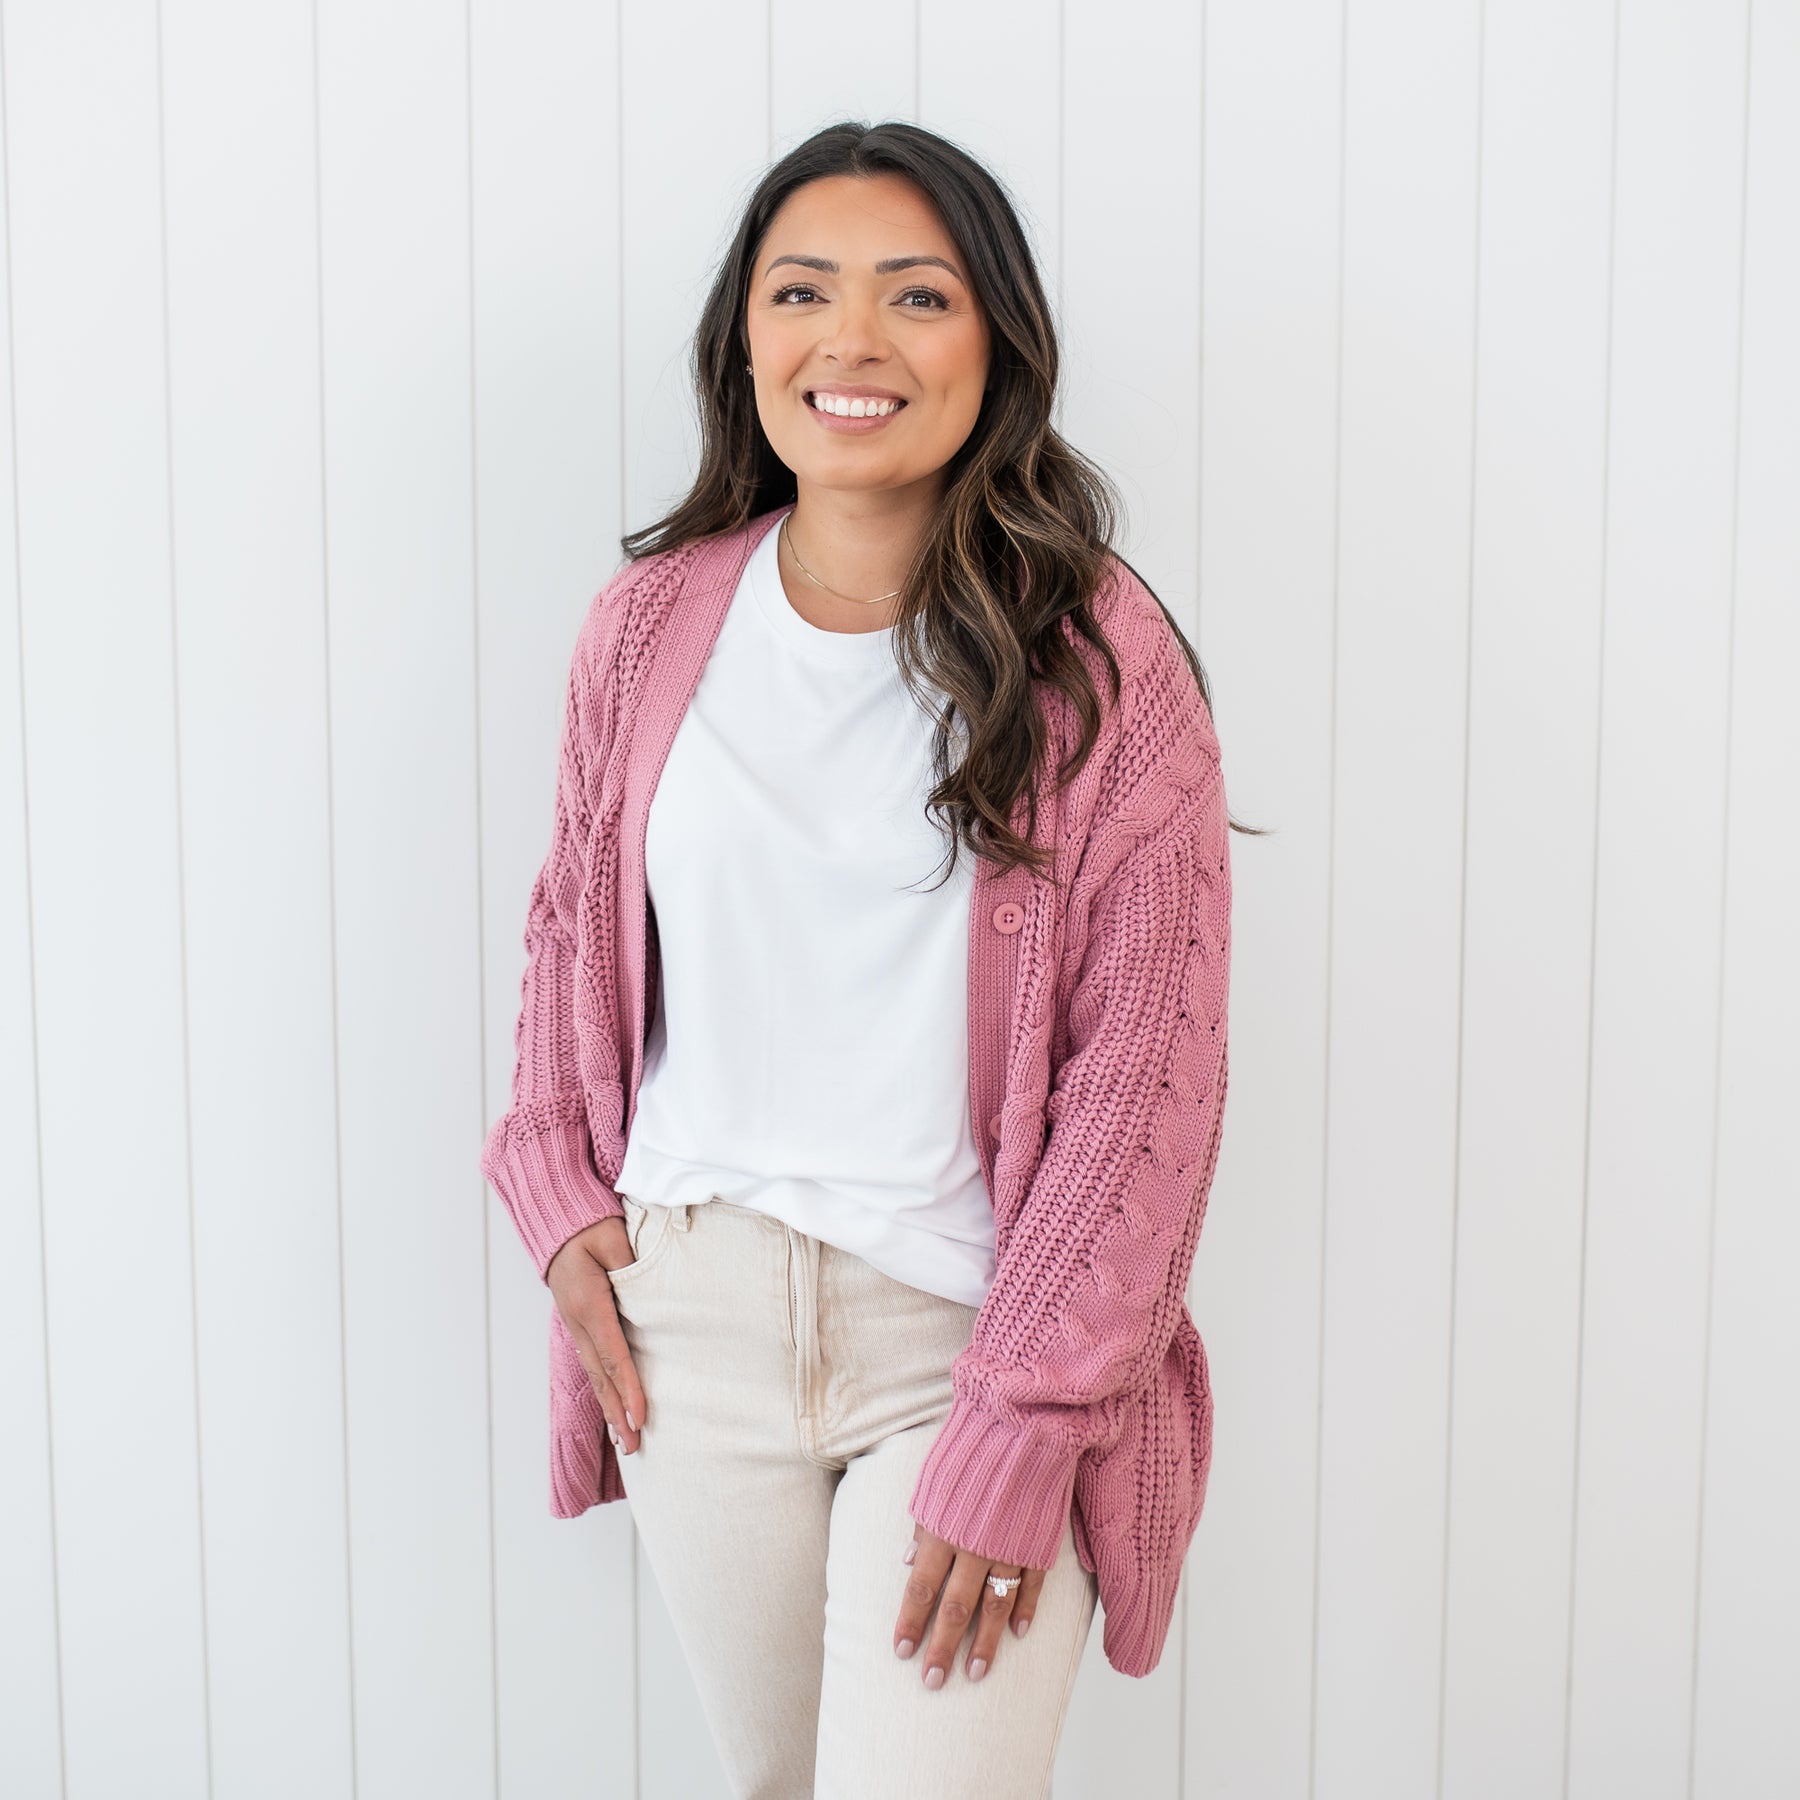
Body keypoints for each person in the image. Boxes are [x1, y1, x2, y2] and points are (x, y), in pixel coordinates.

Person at [480, 118, 1247, 1800]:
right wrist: (552, 1194)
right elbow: (567, 933)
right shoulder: (648, 627)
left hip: (966, 1338)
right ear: (743, 338)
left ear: (998, 345)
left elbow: (1145, 1086)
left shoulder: (1102, 664)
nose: (852, 342)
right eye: (801, 292)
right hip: (693, 1329)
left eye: (918, 296)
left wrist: (1028, 1422)